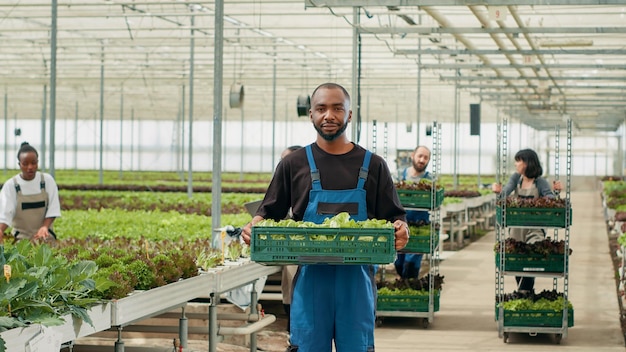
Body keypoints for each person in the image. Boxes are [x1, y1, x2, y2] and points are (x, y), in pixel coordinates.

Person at [242, 82, 409, 352]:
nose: (328, 115)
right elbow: (268, 212)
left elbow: (395, 218)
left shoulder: (374, 165)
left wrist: (403, 230)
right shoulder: (293, 164)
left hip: (356, 283)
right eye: (321, 108)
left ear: (350, 115)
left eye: (337, 108)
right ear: (311, 114)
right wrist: (252, 228)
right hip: (310, 283)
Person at [492, 148, 561, 293]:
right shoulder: (516, 179)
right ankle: (526, 292)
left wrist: (555, 192)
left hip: (535, 227)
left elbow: (550, 198)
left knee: (532, 256)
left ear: (527, 163)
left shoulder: (540, 182)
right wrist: (499, 192)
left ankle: (523, 291)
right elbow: (505, 193)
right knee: (518, 259)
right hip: (517, 227)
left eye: (519, 161)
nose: (516, 164)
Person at [0, 142, 61, 244]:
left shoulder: (47, 181)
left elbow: (53, 209)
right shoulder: (11, 186)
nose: (30, 167)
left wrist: (45, 227)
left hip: (45, 237)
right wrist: (1, 229)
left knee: (46, 256)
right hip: (20, 240)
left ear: (38, 162)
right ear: (19, 164)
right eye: (25, 164)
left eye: (33, 163)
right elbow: (6, 214)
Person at [394, 145, 431, 279]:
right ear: (413, 156)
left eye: (425, 158)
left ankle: (409, 283)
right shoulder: (399, 175)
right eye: (420, 156)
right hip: (400, 224)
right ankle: (405, 284)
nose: (422, 160)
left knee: (411, 265)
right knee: (398, 263)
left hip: (419, 226)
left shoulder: (430, 179)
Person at [279, 145, 302, 334]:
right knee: (287, 289)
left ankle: (296, 333)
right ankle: (291, 331)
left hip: (302, 248)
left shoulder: (305, 182)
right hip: (289, 249)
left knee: (297, 290)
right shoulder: (282, 183)